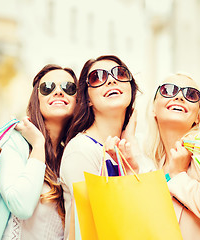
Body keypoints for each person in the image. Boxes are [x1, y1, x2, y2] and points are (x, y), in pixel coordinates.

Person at [59, 55, 147, 239]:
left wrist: (131, 144)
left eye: (120, 74)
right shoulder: (80, 150)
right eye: (97, 77)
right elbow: (98, 224)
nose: (111, 80)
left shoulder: (138, 146)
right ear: (87, 99)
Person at [0, 64, 77, 240]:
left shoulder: (71, 155)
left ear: (78, 100)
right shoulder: (14, 143)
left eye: (68, 87)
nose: (58, 92)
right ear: (37, 99)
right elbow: (22, 206)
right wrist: (38, 144)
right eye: (47, 87)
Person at [145, 73, 200, 240]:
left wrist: (179, 176)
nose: (180, 96)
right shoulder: (152, 165)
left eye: (191, 94)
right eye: (168, 90)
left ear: (197, 117)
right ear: (153, 109)